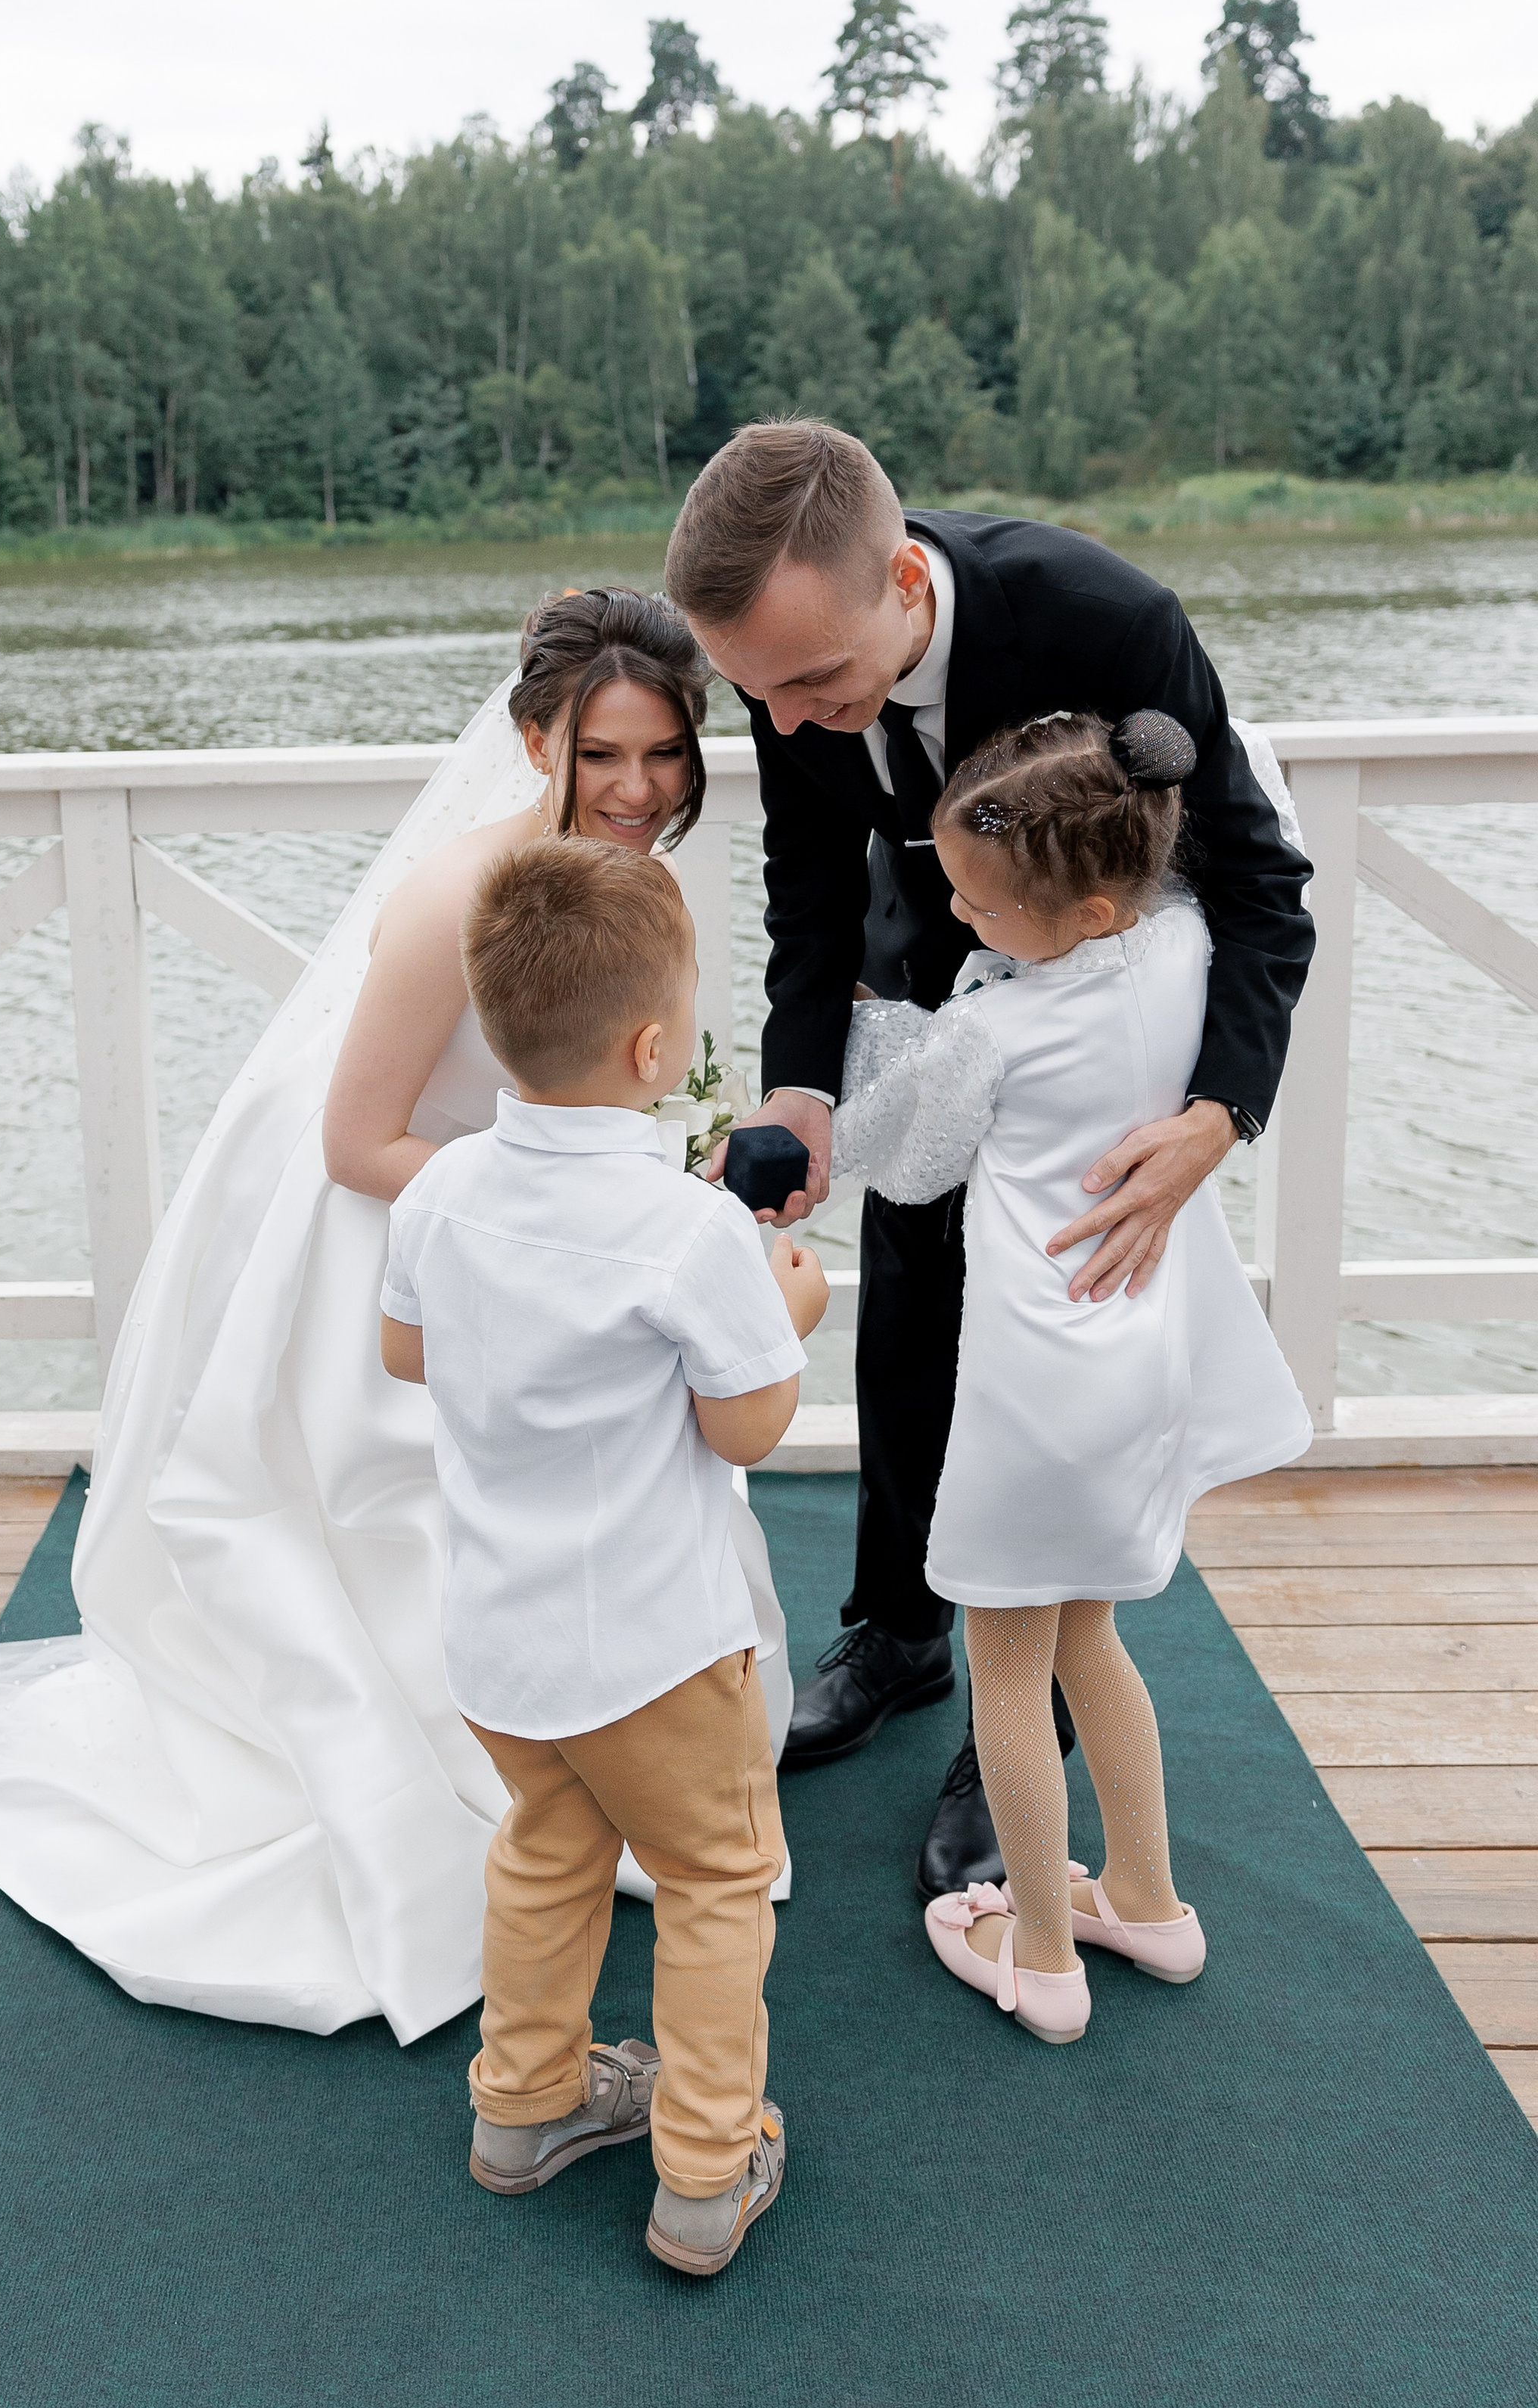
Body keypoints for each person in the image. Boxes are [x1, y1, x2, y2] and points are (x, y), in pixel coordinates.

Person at [0, 588, 794, 2046]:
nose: (641, 788)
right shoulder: (453, 897)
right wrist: (585, 1228)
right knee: (404, 1509)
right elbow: (359, 1140)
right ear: (534, 734)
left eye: (666, 752)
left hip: (507, 1212)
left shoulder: (618, 880)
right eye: (602, 753)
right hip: (405, 1225)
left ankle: (586, 1752)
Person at [663, 421, 1315, 1898]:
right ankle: (896, 1635)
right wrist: (803, 1091)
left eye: (818, 685)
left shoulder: (1106, 622)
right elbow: (810, 884)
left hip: (1107, 1063)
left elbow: (1266, 885)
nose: (797, 722)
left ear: (902, 581)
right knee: (905, 1327)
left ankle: (1016, 1736)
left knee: (1048, 1375)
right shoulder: (791, 665)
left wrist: (1214, 1118)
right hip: (925, 1012)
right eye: (761, 698)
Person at [830, 708, 1310, 2039]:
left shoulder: (999, 1031)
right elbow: (1262, 794)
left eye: (984, 905)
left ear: (1089, 907)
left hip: (1035, 1393)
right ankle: (1148, 1898)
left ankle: (1041, 1950)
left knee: (1005, 1665)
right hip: (1137, 1369)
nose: (964, 920)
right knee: (1093, 1631)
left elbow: (898, 1152)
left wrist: (881, 1017)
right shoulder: (1184, 949)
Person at [382, 839, 828, 2271]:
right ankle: (704, 2168)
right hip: (651, 1646)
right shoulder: (692, 1229)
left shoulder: (439, 1189)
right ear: (654, 1045)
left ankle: (523, 2104)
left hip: (500, 1645)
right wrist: (789, 1306)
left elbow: (405, 1348)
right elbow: (748, 1424)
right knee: (712, 1880)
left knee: (549, 1851)